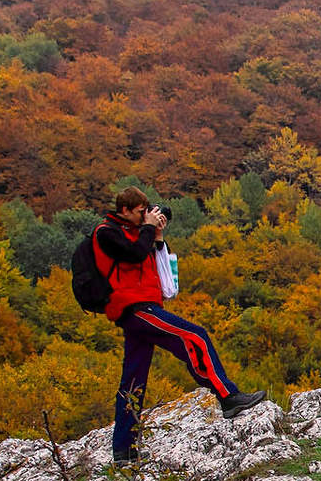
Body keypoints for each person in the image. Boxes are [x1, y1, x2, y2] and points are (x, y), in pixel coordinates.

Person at [95, 186, 265, 464]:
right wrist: (148, 230)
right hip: (134, 309)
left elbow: (164, 278)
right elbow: (135, 254)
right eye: (141, 212)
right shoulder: (107, 233)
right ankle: (228, 396)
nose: (145, 217)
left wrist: (158, 236)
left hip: (146, 306)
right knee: (195, 336)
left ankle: (124, 450)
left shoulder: (140, 233)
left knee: (133, 381)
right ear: (125, 210)